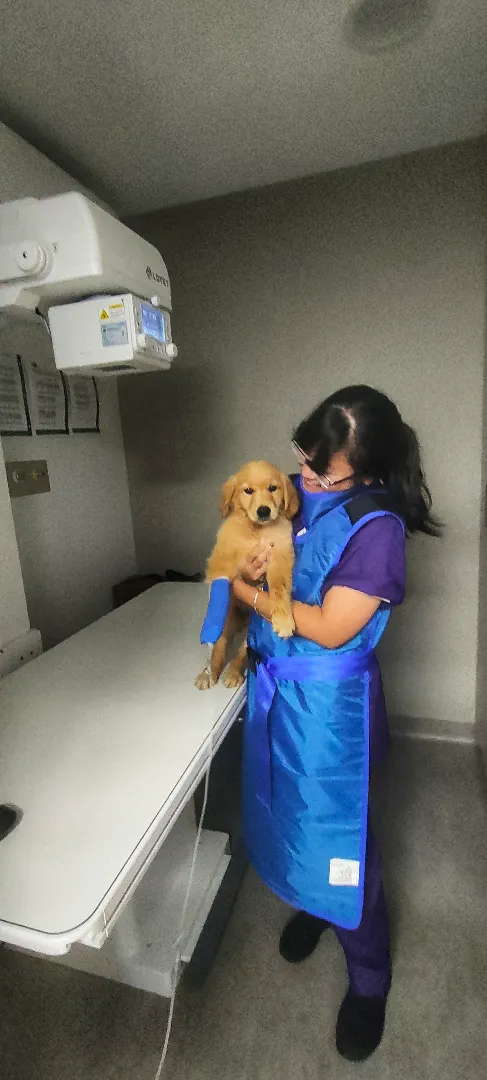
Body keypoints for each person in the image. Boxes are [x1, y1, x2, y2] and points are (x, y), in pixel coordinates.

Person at [231, 385, 440, 1062]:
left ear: (368, 470)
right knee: (283, 812)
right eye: (304, 456)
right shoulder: (296, 485)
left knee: (339, 834)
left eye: (324, 470)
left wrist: (250, 595)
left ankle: (369, 976)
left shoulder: (376, 531)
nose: (307, 476)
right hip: (274, 691)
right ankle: (313, 900)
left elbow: (323, 628)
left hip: (326, 711)